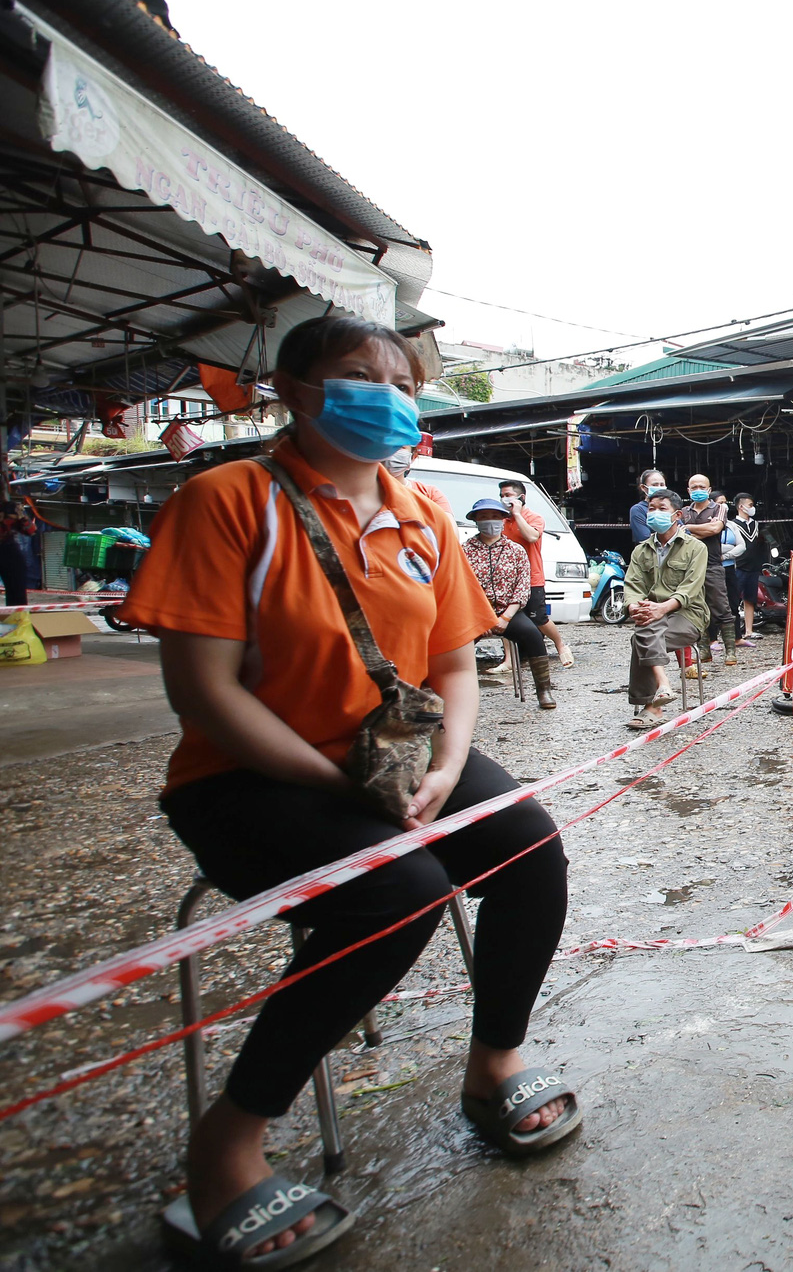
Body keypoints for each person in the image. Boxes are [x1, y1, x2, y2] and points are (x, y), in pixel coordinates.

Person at [119, 315, 576, 1265]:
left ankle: (493, 1066)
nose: (386, 393)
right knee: (398, 892)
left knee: (531, 844)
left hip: (398, 760)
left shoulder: (420, 517)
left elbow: (455, 665)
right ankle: (228, 1145)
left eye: (400, 381)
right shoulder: (227, 500)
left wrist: (446, 768)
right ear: (292, 387)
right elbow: (200, 689)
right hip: (249, 776)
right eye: (357, 374)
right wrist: (333, 777)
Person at [624, 491, 710, 729]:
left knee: (642, 635)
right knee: (645, 630)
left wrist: (662, 608)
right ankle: (662, 689)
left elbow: (690, 589)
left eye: (662, 508)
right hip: (652, 613)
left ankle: (654, 705)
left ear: (677, 514)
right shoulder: (641, 550)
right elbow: (632, 585)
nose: (655, 513)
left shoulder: (696, 548)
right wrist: (634, 607)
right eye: (651, 508)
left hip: (688, 615)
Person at [464, 498, 556, 710]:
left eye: (495, 517)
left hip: (509, 612)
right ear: (476, 520)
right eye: (484, 517)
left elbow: (522, 588)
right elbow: (462, 587)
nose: (490, 522)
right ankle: (459, 694)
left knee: (533, 635)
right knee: (456, 643)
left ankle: (544, 690)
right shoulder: (464, 550)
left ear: (503, 520)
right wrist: (483, 618)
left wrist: (505, 617)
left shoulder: (516, 550)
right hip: (475, 614)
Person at [496, 478, 572, 669]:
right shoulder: (501, 520)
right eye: (502, 496)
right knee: (506, 617)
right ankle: (509, 659)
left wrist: (517, 514)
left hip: (531, 577)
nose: (504, 499)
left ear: (521, 497)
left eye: (508, 495)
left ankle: (560, 645)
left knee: (538, 618)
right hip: (507, 579)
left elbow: (531, 536)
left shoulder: (534, 517)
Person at [679, 472, 740, 670]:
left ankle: (730, 650)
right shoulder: (683, 511)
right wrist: (699, 529)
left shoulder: (720, 508)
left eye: (701, 487)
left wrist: (689, 528)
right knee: (697, 608)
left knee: (722, 608)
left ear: (709, 490)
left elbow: (715, 530)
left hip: (713, 564)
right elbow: (680, 534)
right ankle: (703, 649)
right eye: (693, 487)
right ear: (688, 490)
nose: (698, 491)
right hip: (689, 567)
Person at [729, 492, 762, 641]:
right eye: (750, 505)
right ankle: (733, 632)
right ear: (741, 506)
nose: (752, 508)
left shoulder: (755, 524)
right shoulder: (732, 524)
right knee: (734, 600)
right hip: (738, 566)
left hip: (753, 566)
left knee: (750, 599)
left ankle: (749, 630)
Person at [0, 499, 32, 606]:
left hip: (8, 549)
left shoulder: (10, 508)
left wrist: (20, 516)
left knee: (17, 593)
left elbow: (30, 530)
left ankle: (18, 620)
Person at [627, 468, 666, 546]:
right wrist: (673, 535)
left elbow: (685, 534)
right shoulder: (638, 510)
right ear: (643, 488)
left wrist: (654, 535)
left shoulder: (670, 507)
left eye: (662, 485)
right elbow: (645, 538)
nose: (659, 487)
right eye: (655, 485)